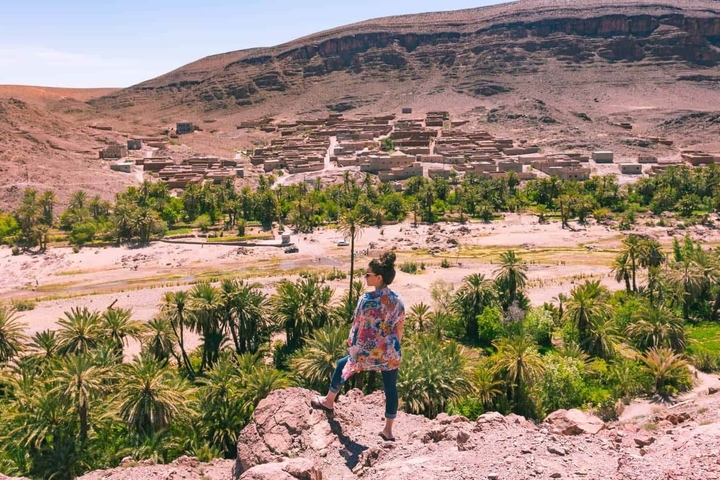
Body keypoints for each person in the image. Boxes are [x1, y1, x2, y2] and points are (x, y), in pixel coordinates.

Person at [311, 252, 405, 441]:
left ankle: (329, 401)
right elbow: (399, 328)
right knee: (391, 388)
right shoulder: (397, 300)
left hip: (366, 351)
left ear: (378, 278)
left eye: (368, 274)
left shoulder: (366, 299)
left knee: (341, 365)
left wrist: (353, 346)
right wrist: (393, 349)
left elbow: (357, 325)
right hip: (389, 352)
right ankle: (388, 430)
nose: (365, 277)